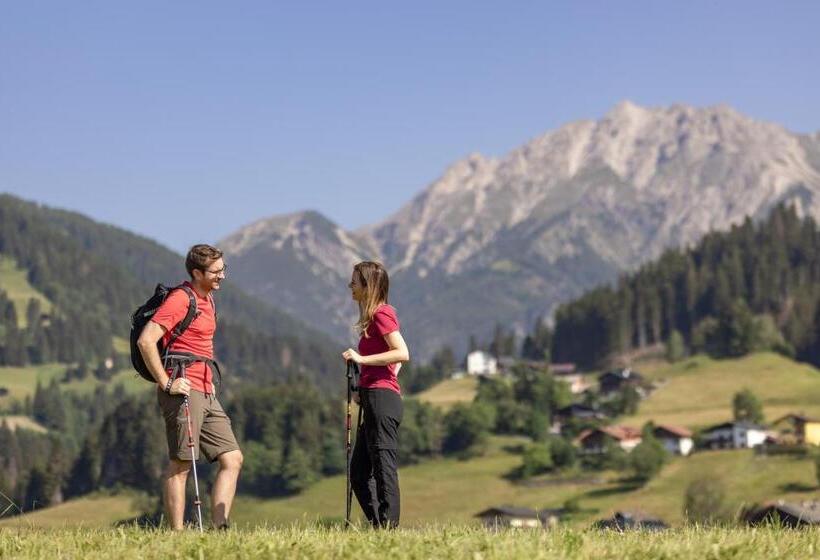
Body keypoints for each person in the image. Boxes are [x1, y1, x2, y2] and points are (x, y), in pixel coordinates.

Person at [137, 244, 243, 530]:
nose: (222, 275)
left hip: (206, 389)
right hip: (183, 388)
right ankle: (177, 535)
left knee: (232, 458)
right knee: (181, 464)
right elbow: (146, 340)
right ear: (197, 272)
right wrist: (167, 382)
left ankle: (220, 528)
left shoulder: (207, 299)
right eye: (216, 271)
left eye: (224, 269)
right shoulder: (180, 299)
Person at [342, 261, 409, 528]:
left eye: (355, 281)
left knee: (383, 467)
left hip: (383, 400)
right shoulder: (373, 318)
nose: (351, 286)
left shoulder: (383, 313)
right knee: (359, 474)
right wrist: (366, 384)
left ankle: (389, 530)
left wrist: (362, 359)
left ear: (367, 285)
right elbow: (395, 361)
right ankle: (380, 527)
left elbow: (402, 353)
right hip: (373, 396)